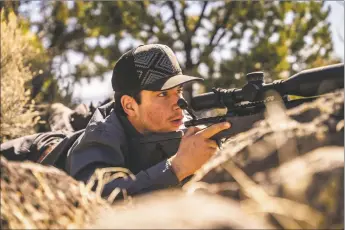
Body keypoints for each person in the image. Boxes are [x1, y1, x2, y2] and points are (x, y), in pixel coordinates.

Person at [65, 44, 231, 198]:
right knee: (64, 117)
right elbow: (95, 196)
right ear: (129, 106)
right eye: (162, 94)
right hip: (49, 147)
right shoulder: (101, 136)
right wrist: (176, 168)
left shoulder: (182, 122)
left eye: (178, 91)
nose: (180, 103)